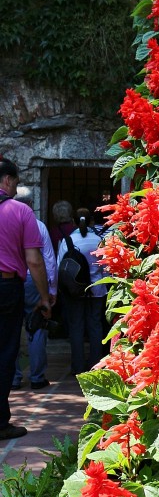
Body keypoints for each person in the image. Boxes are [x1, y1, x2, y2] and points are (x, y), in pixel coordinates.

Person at [0, 157, 52, 441]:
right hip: (6, 287)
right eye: (16, 182)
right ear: (7, 180)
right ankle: (0, 421)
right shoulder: (20, 211)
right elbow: (35, 261)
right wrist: (45, 297)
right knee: (6, 351)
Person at [12, 187, 58, 391]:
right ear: (31, 204)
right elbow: (49, 260)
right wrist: (52, 290)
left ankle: (13, 377)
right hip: (33, 280)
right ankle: (37, 377)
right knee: (37, 327)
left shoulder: (7, 223)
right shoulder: (38, 226)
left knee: (10, 329)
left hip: (11, 279)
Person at [56, 207, 107, 375]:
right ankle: (95, 365)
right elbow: (107, 268)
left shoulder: (68, 241)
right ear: (91, 220)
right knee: (95, 326)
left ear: (74, 222)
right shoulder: (99, 240)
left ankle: (77, 366)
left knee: (76, 327)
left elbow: (60, 268)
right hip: (97, 290)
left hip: (75, 291)